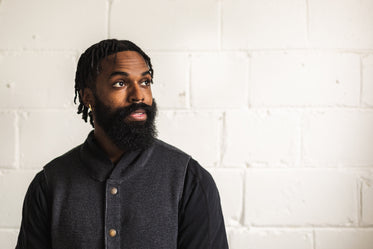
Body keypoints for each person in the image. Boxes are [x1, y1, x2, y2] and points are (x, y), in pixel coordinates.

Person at [16, 39, 229, 249]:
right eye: (121, 83)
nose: (139, 96)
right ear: (88, 97)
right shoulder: (49, 185)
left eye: (145, 82)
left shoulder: (189, 181)